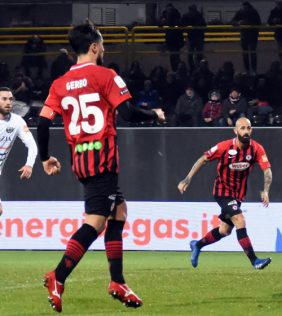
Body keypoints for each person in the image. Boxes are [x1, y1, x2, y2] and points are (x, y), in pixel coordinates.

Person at [37, 21, 165, 313]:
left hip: (81, 159)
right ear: (94, 47)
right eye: (103, 44)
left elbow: (43, 122)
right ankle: (58, 276)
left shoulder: (59, 84)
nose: (104, 49)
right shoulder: (106, 76)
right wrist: (154, 114)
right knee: (95, 221)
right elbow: (129, 114)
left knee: (119, 212)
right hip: (102, 160)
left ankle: (117, 281)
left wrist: (45, 158)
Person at [178, 117, 273, 270]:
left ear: (251, 130)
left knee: (225, 230)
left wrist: (266, 190)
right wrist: (187, 179)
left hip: (238, 195)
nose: (246, 131)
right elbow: (203, 159)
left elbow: (267, 171)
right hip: (222, 191)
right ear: (235, 131)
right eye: (242, 128)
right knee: (240, 220)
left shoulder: (256, 149)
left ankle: (197, 244)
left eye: (248, 128)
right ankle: (254, 260)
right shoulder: (224, 147)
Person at [0, 87, 37, 217]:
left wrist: (29, 164)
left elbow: (32, 145)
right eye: (4, 99)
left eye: (10, 99)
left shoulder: (17, 121)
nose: (8, 102)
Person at [232, 2, 262, 75]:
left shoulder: (254, 12)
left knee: (252, 53)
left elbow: (259, 23)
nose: (245, 9)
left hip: (253, 35)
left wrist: (249, 23)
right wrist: (239, 22)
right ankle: (247, 70)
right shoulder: (240, 12)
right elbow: (232, 21)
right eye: (244, 8)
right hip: (244, 36)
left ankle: (254, 70)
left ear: (249, 7)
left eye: (246, 8)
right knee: (245, 53)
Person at [267, 1, 282, 71]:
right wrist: (273, 21)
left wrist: (278, 20)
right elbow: (269, 22)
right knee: (280, 52)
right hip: (280, 34)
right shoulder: (273, 11)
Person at [182, 5, 207, 71]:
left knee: (196, 54)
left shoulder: (196, 15)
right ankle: (195, 68)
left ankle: (198, 68)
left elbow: (203, 25)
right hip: (195, 37)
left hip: (195, 37)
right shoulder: (198, 15)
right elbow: (204, 25)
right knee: (194, 54)